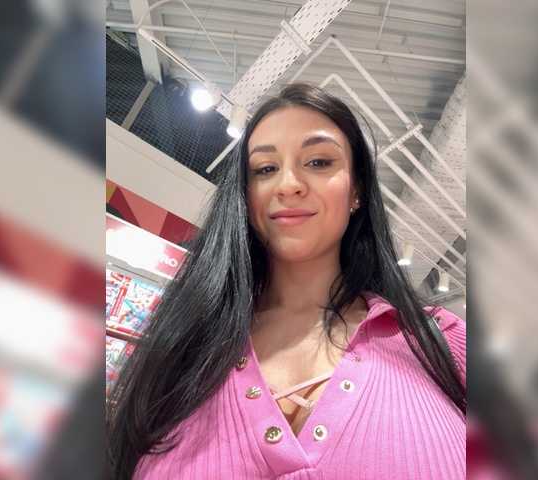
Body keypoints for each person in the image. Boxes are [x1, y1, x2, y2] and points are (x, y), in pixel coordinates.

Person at [107, 83, 466, 479]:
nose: (288, 184)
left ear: (357, 191)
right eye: (265, 169)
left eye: (319, 162)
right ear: (246, 197)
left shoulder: (444, 342)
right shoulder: (183, 349)